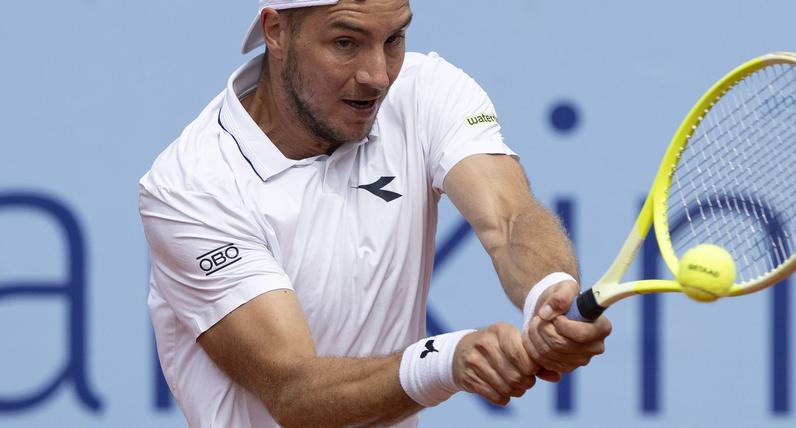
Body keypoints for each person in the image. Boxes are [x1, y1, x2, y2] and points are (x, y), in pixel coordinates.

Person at [138, 0, 611, 426]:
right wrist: (447, 360)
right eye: (346, 42)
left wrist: (548, 295)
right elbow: (294, 390)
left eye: (395, 40)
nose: (378, 76)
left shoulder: (426, 90)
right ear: (276, 31)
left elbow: (508, 220)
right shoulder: (191, 188)